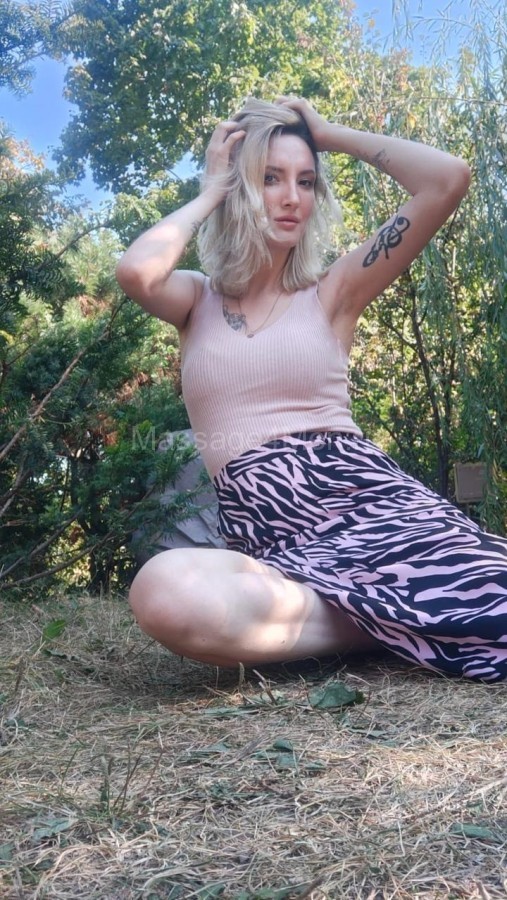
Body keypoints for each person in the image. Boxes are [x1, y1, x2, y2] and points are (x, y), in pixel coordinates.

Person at [116, 96, 507, 682]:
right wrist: (211, 189)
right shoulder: (196, 299)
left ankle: (390, 614)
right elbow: (136, 272)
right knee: (166, 593)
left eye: (305, 181)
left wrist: (329, 135)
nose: (292, 197)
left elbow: (446, 179)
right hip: (276, 536)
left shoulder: (333, 293)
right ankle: (399, 615)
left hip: (374, 504)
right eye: (269, 178)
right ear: (238, 189)